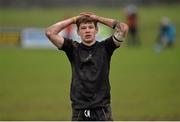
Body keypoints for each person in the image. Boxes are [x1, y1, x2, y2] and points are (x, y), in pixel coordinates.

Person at [45, 12, 128, 121]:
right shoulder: (73, 48)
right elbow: (50, 32)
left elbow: (123, 28)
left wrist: (98, 18)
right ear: (78, 32)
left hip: (102, 110)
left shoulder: (106, 47)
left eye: (91, 27)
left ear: (96, 30)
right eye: (83, 28)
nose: (87, 30)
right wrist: (74, 19)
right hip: (79, 110)